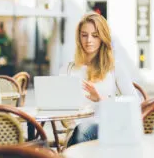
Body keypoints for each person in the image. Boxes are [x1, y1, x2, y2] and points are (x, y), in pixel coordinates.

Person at [59, 12, 139, 147]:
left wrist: (101, 99)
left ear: (102, 38)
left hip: (106, 127)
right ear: (79, 38)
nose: (88, 40)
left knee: (83, 130)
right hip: (75, 129)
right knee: (79, 131)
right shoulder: (68, 69)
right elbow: (59, 106)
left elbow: (134, 102)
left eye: (94, 35)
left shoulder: (114, 67)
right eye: (84, 35)